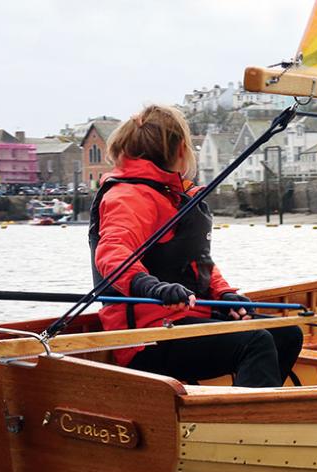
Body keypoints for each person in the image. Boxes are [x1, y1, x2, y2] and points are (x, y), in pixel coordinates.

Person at [89, 104, 302, 387]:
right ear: (179, 149)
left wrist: (224, 294)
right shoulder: (129, 196)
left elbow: (196, 261)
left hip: (186, 318)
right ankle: (248, 427)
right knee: (256, 342)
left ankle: (248, 408)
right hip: (146, 337)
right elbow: (113, 254)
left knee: (287, 333)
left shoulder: (171, 195)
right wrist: (154, 288)